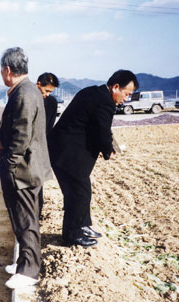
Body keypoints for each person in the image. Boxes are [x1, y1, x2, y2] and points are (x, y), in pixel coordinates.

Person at [48, 70, 138, 248]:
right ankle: (72, 235)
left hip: (61, 148)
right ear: (116, 87)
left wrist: (105, 146)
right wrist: (107, 151)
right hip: (68, 153)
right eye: (126, 94)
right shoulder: (105, 102)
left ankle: (82, 225)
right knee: (79, 192)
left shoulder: (92, 92)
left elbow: (91, 125)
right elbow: (102, 129)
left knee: (80, 190)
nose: (126, 99)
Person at [0, 47, 52, 291]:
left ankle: (29, 271)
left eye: (1, 69)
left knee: (26, 218)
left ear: (7, 70)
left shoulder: (24, 94)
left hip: (23, 169)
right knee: (21, 217)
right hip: (23, 166)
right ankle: (23, 262)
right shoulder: (26, 90)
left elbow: (22, 135)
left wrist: (9, 163)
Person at [35, 72, 60, 217]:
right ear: (38, 85)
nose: (47, 94)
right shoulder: (29, 98)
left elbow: (48, 128)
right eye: (46, 91)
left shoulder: (51, 103)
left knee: (39, 184)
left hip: (41, 148)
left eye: (51, 92)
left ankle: (37, 215)